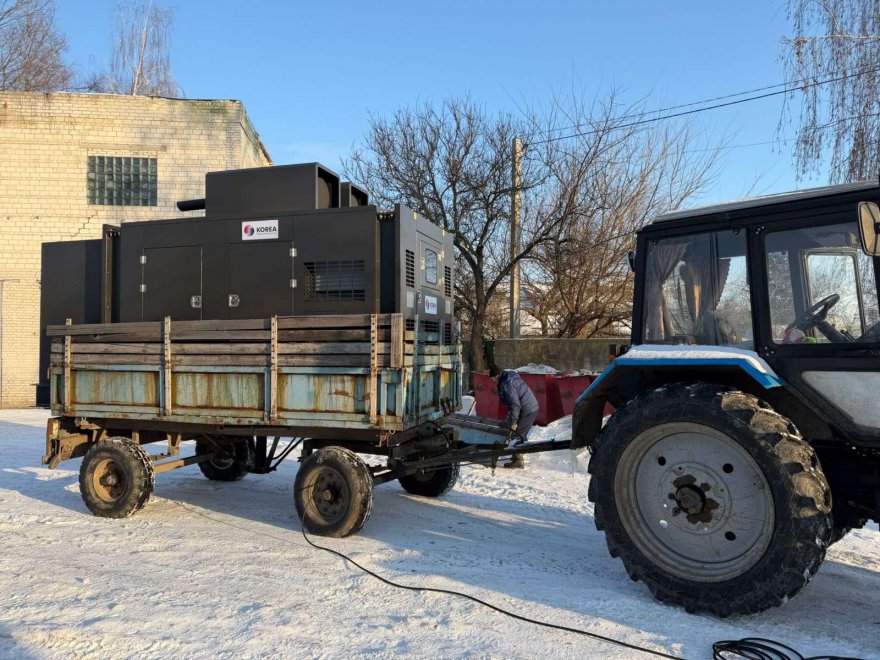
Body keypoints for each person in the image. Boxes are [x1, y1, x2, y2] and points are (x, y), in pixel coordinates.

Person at [490, 364, 539, 469]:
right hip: (526, 407)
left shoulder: (507, 383)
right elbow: (512, 404)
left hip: (528, 410)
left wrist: (512, 423)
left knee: (517, 434)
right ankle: (517, 454)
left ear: (497, 376)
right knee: (518, 432)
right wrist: (510, 421)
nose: (492, 381)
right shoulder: (507, 379)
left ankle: (518, 461)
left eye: (492, 378)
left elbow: (515, 405)